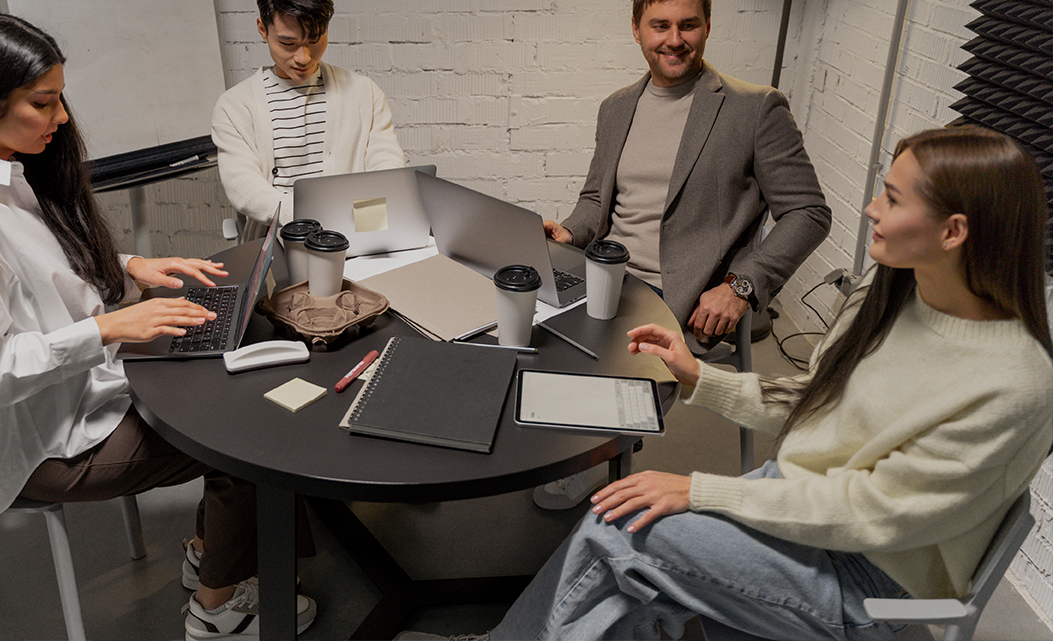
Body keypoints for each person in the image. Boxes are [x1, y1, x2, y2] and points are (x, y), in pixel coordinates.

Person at [402, 125, 1053, 640]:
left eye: (893, 197)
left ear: (954, 231)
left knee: (621, 528)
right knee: (625, 563)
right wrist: (698, 376)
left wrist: (702, 491)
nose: (870, 207)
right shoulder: (892, 294)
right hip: (798, 507)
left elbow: (871, 514)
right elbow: (815, 401)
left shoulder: (1014, 382)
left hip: (865, 581)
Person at [0, 13, 317, 640]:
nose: (62, 118)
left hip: (72, 398)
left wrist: (131, 266)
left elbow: (38, 270)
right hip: (43, 445)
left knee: (229, 376)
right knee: (246, 436)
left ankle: (212, 548)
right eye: (44, 102)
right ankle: (216, 608)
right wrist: (113, 328)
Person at [535, 0, 832, 510]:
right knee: (522, 334)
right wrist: (568, 230)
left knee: (617, 364)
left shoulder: (754, 108)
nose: (674, 40)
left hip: (685, 295)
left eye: (688, 25)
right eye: (660, 25)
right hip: (605, 275)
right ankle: (574, 444)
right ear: (636, 29)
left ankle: (595, 455)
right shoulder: (617, 107)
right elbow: (598, 201)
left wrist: (742, 286)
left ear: (708, 27)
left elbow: (809, 213)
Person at [212, 0, 406, 239]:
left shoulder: (364, 92)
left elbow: (387, 169)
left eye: (314, 40)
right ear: (262, 30)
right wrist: (321, 216)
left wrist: (361, 223)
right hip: (280, 238)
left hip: (359, 232)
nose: (303, 57)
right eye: (288, 43)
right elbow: (245, 189)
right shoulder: (234, 107)